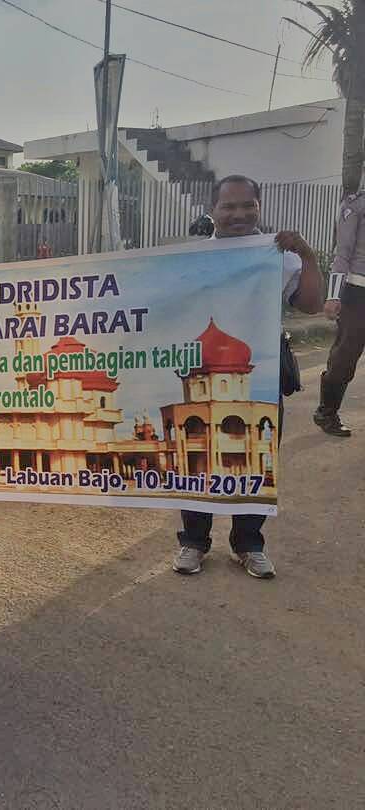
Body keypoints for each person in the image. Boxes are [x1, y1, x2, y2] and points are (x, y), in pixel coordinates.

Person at [173, 175, 322, 579]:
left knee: (257, 457)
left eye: (246, 206)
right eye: (229, 206)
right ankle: (193, 540)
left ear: (258, 206)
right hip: (204, 367)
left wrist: (307, 255)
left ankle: (248, 543)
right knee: (197, 460)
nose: (238, 214)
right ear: (213, 210)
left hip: (256, 372)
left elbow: (312, 305)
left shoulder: (278, 255)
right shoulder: (194, 260)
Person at [313, 190, 365, 437]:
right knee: (345, 357)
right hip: (358, 293)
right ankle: (327, 413)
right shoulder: (356, 204)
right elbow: (342, 252)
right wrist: (333, 295)